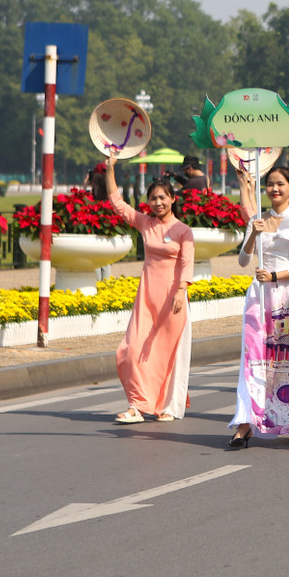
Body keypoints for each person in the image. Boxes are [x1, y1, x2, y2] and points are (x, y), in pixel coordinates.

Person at [227, 163, 289, 449]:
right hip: (260, 297)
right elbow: (243, 261)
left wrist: (277, 276)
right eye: (270, 185)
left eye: (281, 184)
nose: (275, 189)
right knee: (253, 359)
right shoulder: (258, 218)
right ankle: (246, 423)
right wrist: (254, 234)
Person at [105, 157, 194, 424]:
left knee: (168, 353)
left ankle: (168, 405)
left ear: (173, 199)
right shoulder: (146, 223)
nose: (158, 203)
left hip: (173, 298)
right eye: (153, 198)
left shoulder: (183, 230)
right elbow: (117, 204)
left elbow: (187, 263)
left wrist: (181, 291)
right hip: (147, 297)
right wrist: (110, 168)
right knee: (130, 350)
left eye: (163, 197)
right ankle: (136, 405)